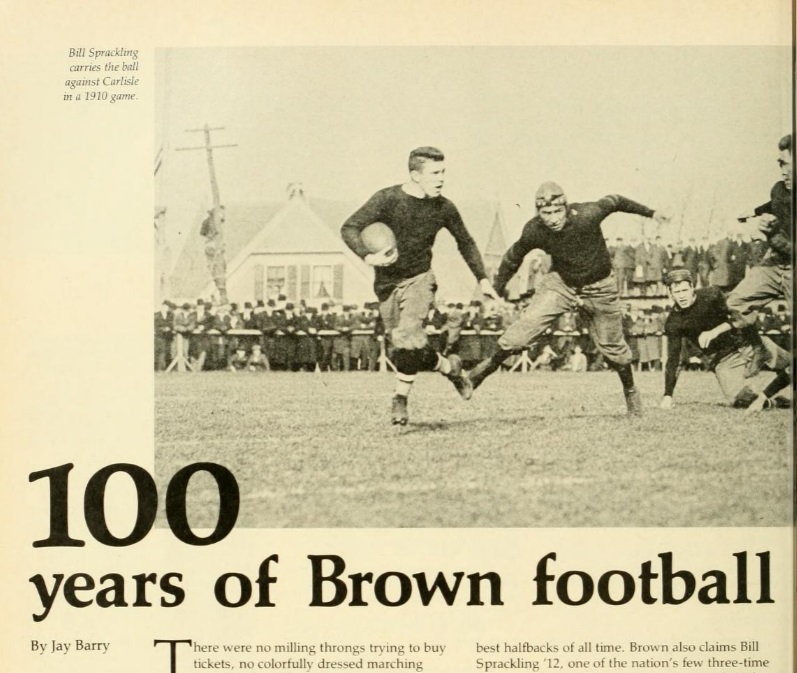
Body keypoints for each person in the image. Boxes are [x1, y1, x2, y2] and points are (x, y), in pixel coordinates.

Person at [466, 182, 669, 415]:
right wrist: (497, 288)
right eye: (546, 213)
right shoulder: (534, 230)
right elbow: (513, 256)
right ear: (538, 213)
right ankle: (482, 372)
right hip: (562, 283)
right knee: (523, 329)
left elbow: (616, 200)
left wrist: (652, 213)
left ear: (566, 207)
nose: (552, 219)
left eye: (556, 212)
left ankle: (631, 391)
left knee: (613, 348)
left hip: (600, 287)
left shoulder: (587, 215)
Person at [341, 146, 497, 425]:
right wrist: (368, 255)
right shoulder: (387, 199)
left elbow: (466, 242)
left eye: (443, 172)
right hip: (387, 283)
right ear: (415, 175)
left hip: (420, 279)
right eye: (435, 173)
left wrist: (482, 278)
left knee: (409, 334)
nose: (441, 179)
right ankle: (450, 368)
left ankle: (399, 399)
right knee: (406, 347)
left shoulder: (444, 207)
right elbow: (349, 227)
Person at [659, 268, 790, 413]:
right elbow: (673, 358)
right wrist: (668, 395)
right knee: (741, 400)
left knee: (790, 365)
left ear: (692, 288)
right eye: (677, 292)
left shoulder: (711, 294)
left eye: (685, 290)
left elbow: (742, 314)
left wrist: (715, 331)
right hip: (723, 360)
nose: (682, 296)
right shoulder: (674, 322)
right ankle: (776, 402)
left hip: (747, 344)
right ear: (670, 294)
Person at [727, 134, 793, 323]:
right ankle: (762, 352)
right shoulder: (780, 189)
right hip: (774, 262)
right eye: (780, 164)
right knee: (734, 305)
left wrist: (771, 234)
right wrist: (754, 211)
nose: (783, 171)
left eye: (788, 164)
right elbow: (777, 202)